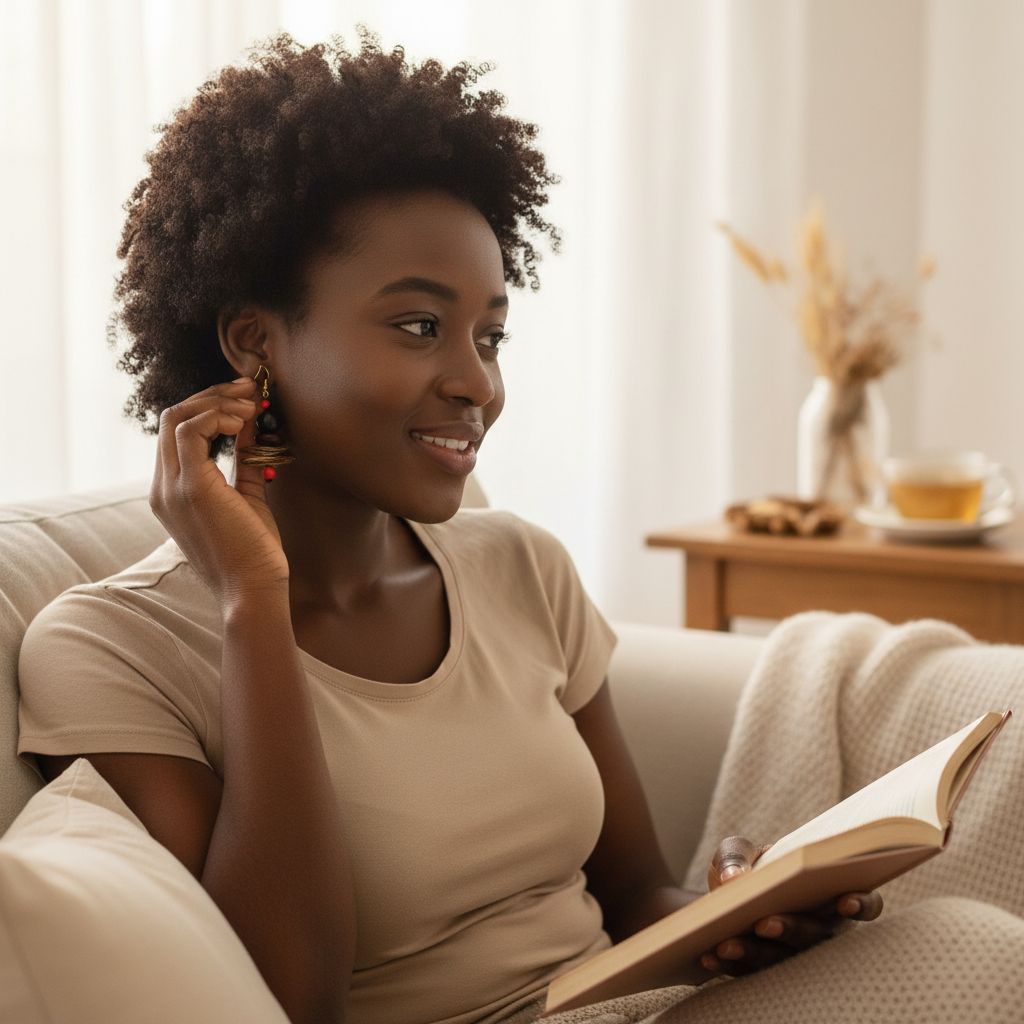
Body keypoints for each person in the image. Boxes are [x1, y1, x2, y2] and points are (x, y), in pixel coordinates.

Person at [16, 29, 880, 1024]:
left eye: (489, 334)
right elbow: (281, 997)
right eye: (420, 326)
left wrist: (741, 909)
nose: (477, 382)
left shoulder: (521, 564)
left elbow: (641, 899)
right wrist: (253, 602)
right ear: (256, 346)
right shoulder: (109, 647)